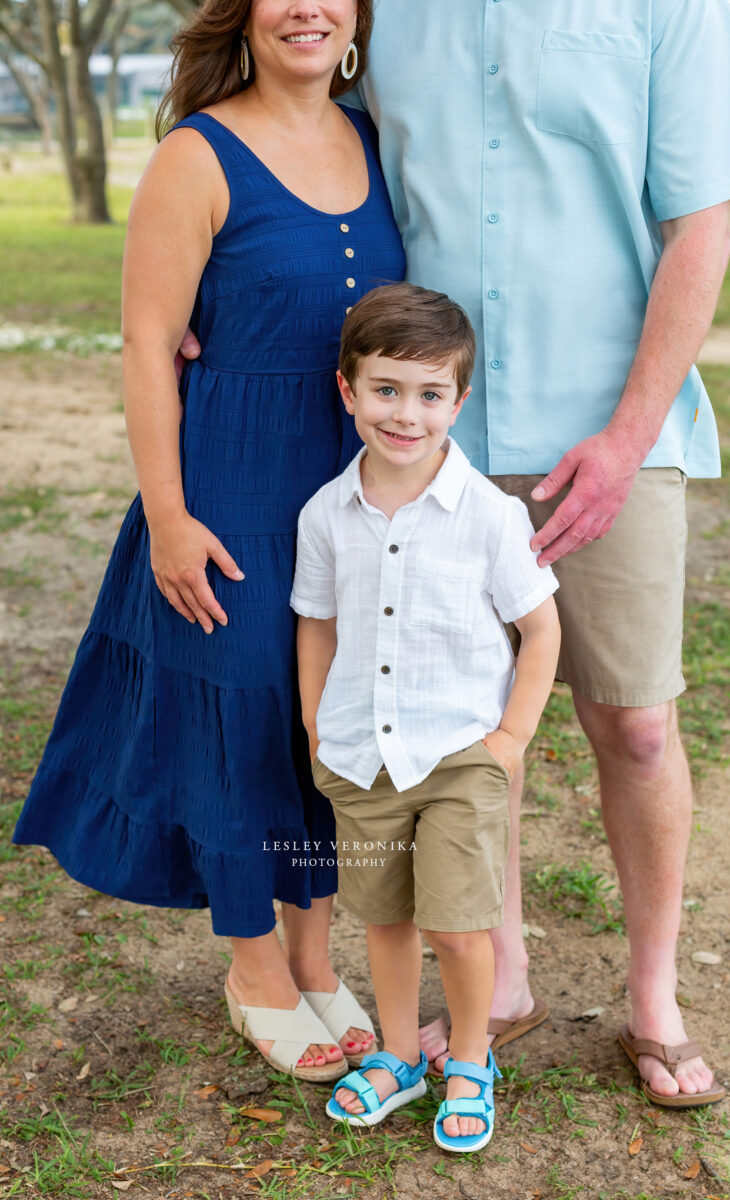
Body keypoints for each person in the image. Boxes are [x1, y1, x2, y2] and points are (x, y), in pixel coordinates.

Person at [175, 0, 730, 1105]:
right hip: (421, 427)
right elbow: (296, 132)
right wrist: (190, 282)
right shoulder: (383, 8)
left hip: (602, 433)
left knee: (635, 722)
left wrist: (627, 436)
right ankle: (496, 980)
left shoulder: (672, 9)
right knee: (449, 719)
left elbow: (700, 227)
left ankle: (652, 999)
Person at [13, 0, 406, 1080]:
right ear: (244, 12)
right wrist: (170, 517)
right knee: (239, 712)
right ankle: (253, 970)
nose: (307, 8)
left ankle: (315, 960)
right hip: (227, 484)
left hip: (346, 486)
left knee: (321, 722)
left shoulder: (372, 132)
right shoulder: (198, 154)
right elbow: (147, 345)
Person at [290, 283, 561, 1151]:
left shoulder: (490, 516)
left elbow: (541, 628)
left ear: (459, 401)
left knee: (456, 920)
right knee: (386, 917)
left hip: (458, 756)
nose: (406, 414)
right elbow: (318, 623)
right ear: (348, 390)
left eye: (429, 394)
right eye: (386, 389)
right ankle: (401, 1057)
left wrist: (510, 739)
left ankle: (472, 1058)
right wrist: (315, 727)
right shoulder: (325, 514)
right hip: (360, 755)